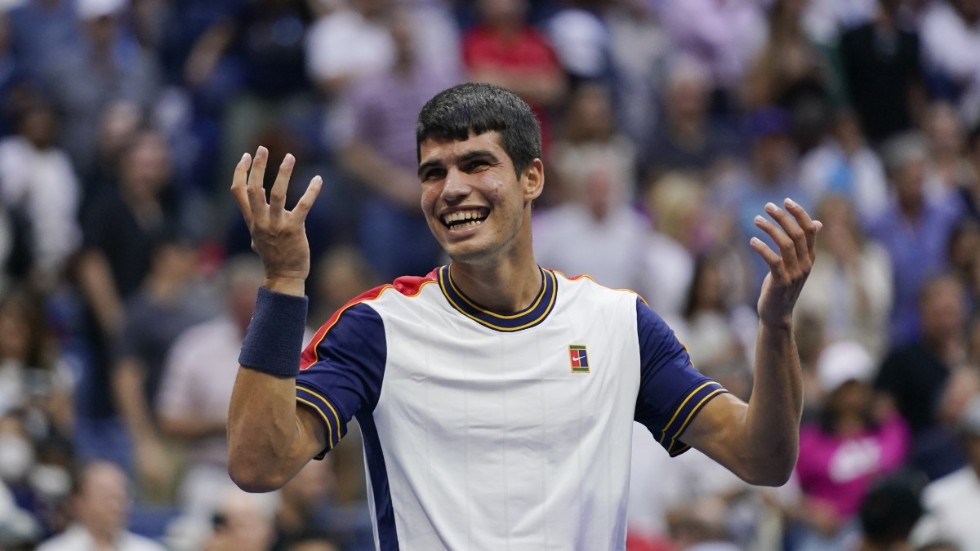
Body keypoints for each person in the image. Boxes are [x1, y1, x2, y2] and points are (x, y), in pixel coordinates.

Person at [225, 82, 821, 550]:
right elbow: (258, 463)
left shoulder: (618, 325)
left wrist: (776, 325)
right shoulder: (376, 327)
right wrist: (282, 282)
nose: (451, 188)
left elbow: (763, 458)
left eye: (476, 164)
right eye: (434, 172)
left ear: (532, 176)